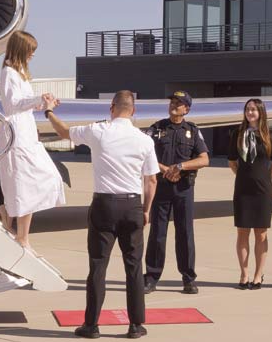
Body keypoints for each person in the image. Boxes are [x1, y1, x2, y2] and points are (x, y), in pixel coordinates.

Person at [45, 90, 158, 340]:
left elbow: (64, 132)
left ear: (111, 108)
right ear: (133, 111)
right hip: (132, 205)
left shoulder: (98, 131)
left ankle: (91, 324)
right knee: (134, 267)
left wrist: (49, 111)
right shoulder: (144, 140)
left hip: (104, 205)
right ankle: (135, 325)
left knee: (98, 266)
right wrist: (146, 210)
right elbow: (151, 180)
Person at [0, 31, 65, 249]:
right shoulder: (9, 73)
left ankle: (9, 216)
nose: (33, 54)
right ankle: (22, 236)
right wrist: (37, 99)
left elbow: (24, 104)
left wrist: (46, 104)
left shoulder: (21, 73)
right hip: (16, 133)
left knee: (41, 179)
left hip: (27, 131)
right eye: (30, 50)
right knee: (24, 183)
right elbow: (12, 104)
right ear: (21, 49)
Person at [143, 91, 209, 296]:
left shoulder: (192, 131)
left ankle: (188, 279)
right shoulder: (156, 129)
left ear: (186, 109)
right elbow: (145, 154)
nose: (173, 105)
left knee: (185, 233)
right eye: (172, 102)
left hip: (184, 189)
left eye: (178, 103)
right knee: (157, 233)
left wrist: (181, 166)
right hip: (161, 187)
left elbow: (204, 159)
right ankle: (151, 277)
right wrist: (165, 169)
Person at [227, 98, 272, 290]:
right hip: (243, 189)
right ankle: (244, 274)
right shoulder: (237, 134)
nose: (250, 112)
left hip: (262, 190)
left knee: (261, 233)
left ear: (260, 112)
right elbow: (232, 161)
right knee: (242, 232)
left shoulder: (270, 135)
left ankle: (258, 275)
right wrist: (243, 176)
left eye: (253, 109)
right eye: (247, 109)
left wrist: (266, 178)